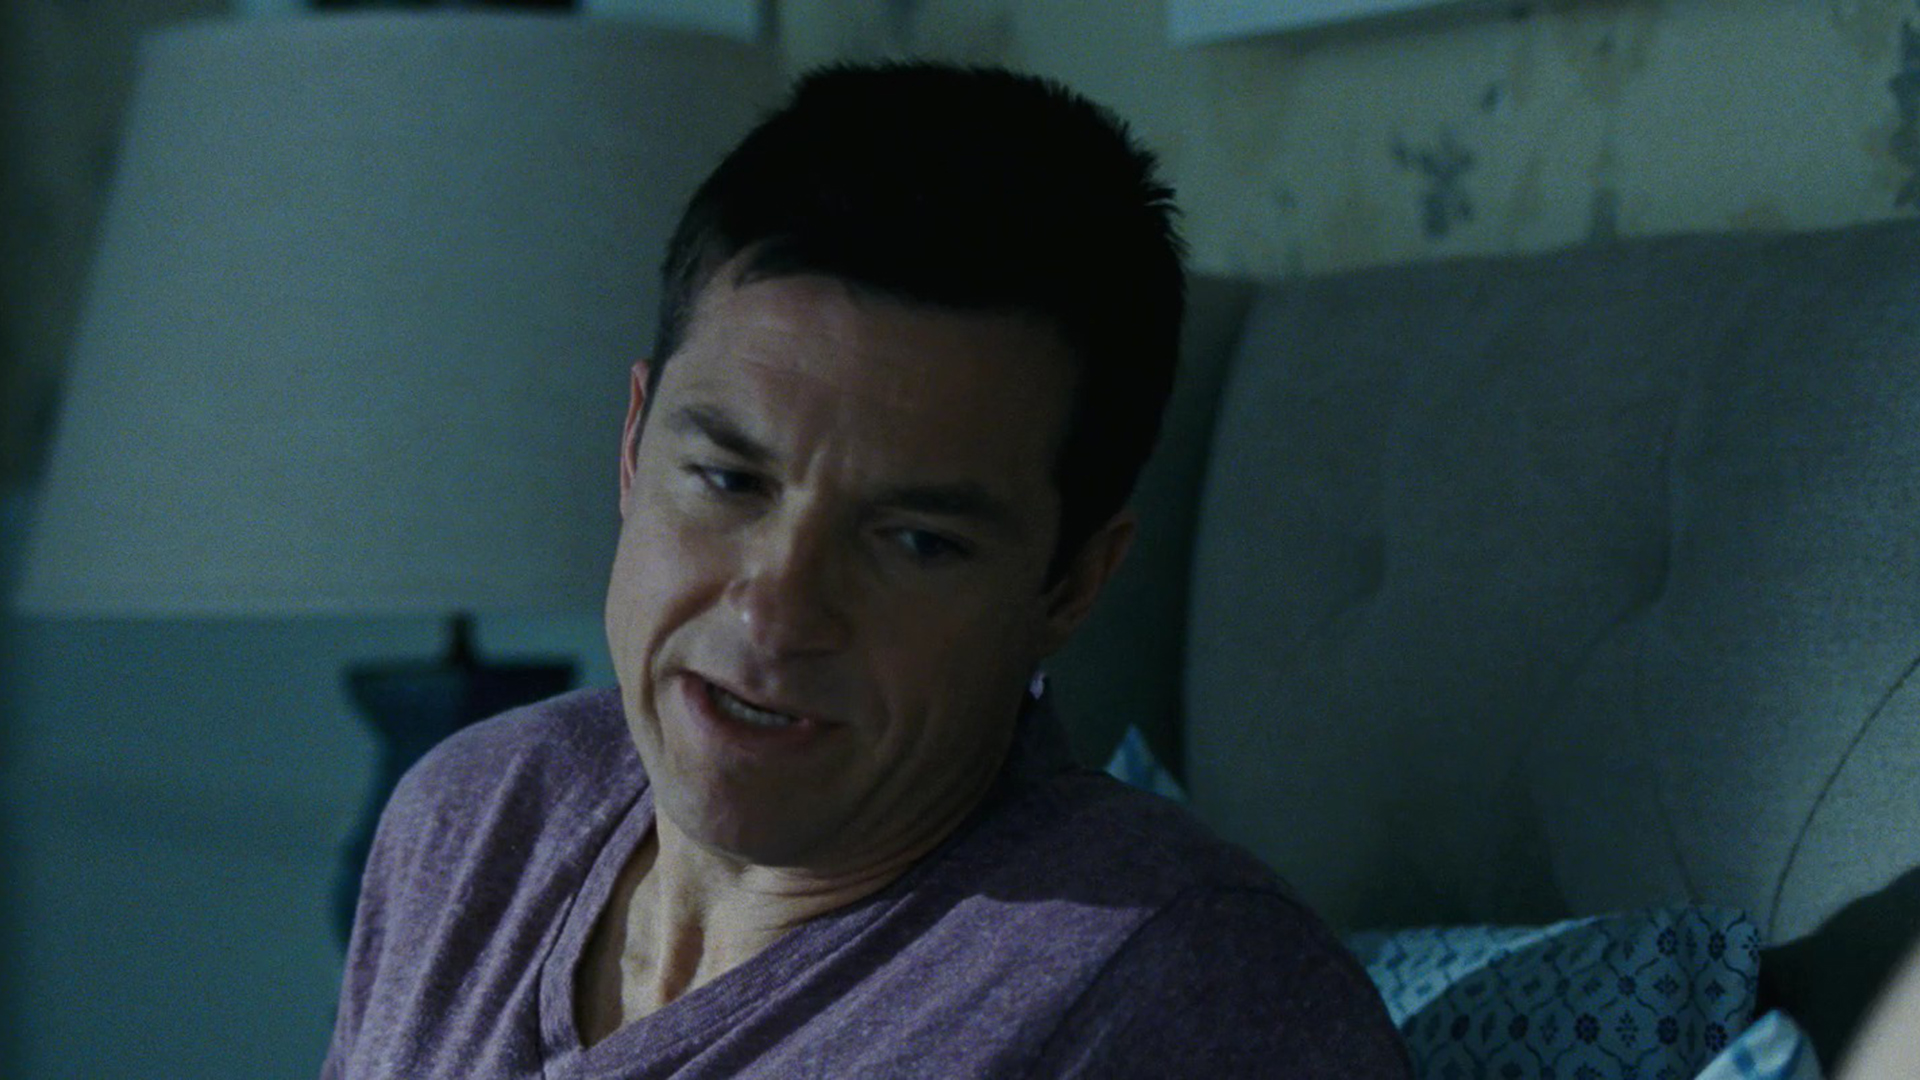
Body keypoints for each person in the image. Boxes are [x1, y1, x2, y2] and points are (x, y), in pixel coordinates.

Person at [321, 62, 1410, 1079]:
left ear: (1071, 583)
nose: (777, 610)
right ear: (634, 444)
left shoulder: (1180, 992)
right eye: (729, 481)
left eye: (915, 541)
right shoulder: (474, 821)